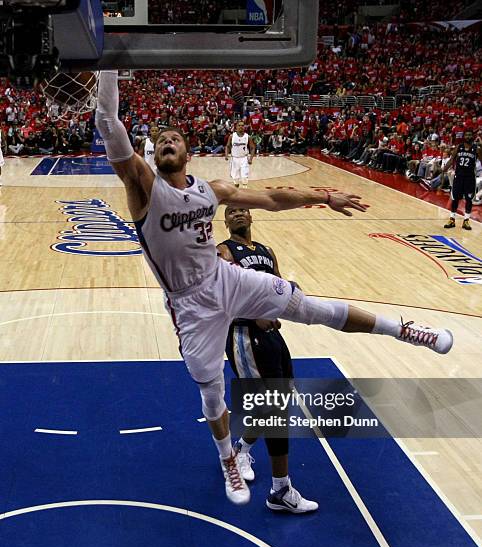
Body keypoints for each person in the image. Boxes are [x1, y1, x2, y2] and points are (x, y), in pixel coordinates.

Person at [95, 71, 453, 507]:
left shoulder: (212, 190)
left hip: (225, 278)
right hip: (190, 305)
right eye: (160, 139)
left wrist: (323, 196)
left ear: (189, 152)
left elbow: (272, 200)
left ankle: (404, 329)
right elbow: (109, 122)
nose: (167, 141)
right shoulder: (143, 186)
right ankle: (229, 456)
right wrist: (107, 66)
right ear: (154, 153)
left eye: (175, 137)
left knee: (310, 307)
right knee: (211, 392)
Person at [217, 206, 317, 513]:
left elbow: (277, 287)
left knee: (278, 403)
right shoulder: (222, 252)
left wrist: (290, 297)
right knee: (274, 410)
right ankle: (280, 489)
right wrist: (254, 316)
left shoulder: (266, 251)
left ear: (251, 216)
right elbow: (222, 298)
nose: (237, 214)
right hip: (243, 335)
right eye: (231, 211)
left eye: (242, 210)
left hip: (271, 336)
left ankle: (242, 449)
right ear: (225, 220)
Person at [444, 129, 482, 230]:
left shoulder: (476, 149)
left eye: (470, 135)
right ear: (464, 136)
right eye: (467, 135)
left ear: (472, 137)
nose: (468, 137)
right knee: (455, 198)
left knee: (469, 199)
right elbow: (452, 159)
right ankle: (452, 219)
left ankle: (466, 221)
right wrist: (444, 169)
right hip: (458, 177)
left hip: (470, 178)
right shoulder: (459, 147)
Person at [225, 121, 255, 188]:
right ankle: (237, 190)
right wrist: (226, 154)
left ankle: (245, 191)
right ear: (236, 127)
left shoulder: (248, 137)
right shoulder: (232, 136)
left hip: (244, 158)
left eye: (242, 125)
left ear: (244, 127)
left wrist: (250, 159)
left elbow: (252, 148)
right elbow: (227, 146)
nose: (241, 127)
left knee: (244, 177)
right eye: (239, 125)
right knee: (235, 178)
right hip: (234, 159)